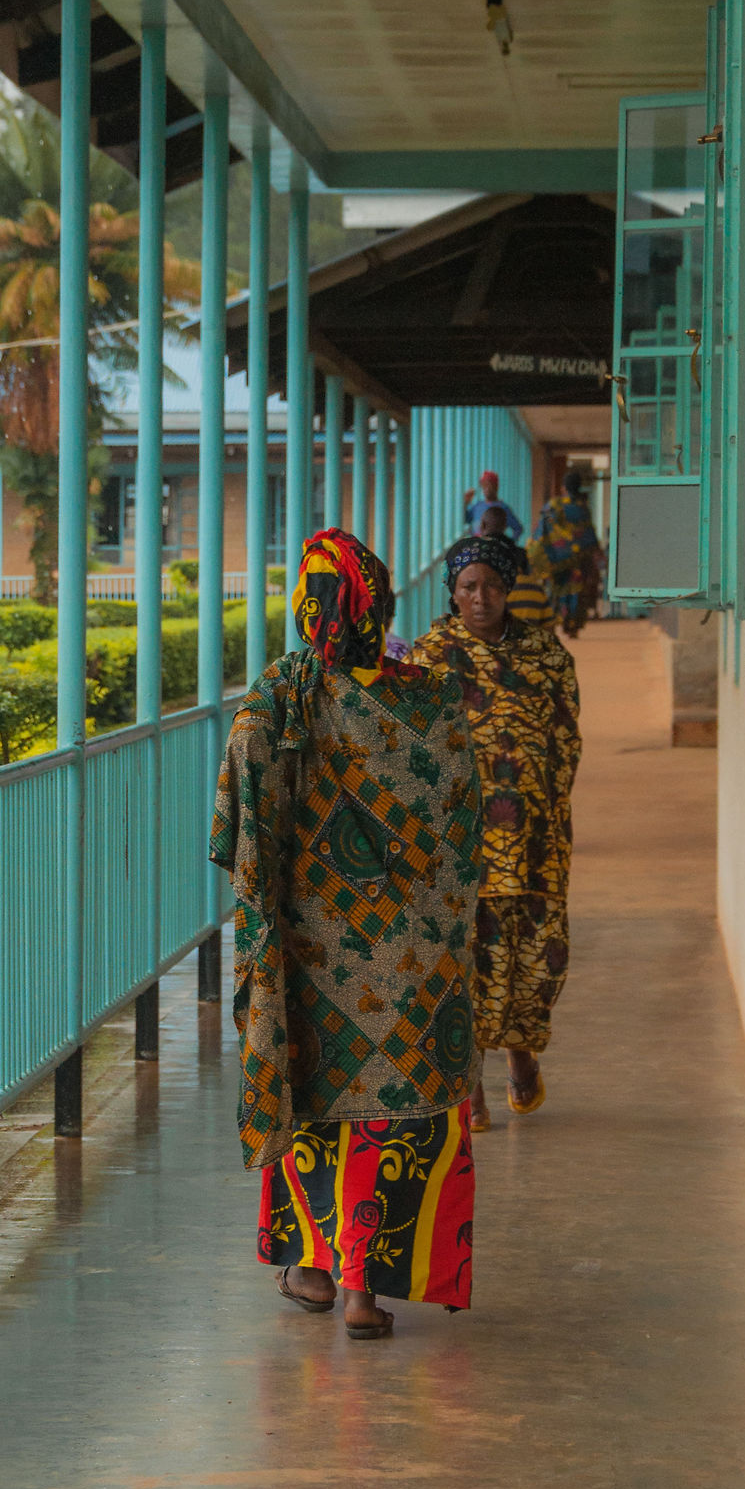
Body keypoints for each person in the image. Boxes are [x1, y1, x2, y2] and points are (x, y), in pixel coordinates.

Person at [211, 528, 484, 1338]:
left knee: (314, 1098)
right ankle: (370, 1292)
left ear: (308, 607)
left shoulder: (279, 697)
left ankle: (318, 1271)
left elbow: (237, 821)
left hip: (314, 957)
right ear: (380, 606)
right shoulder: (428, 698)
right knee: (393, 1114)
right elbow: (462, 823)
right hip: (414, 965)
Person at [409, 532, 581, 1129]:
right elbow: (414, 753)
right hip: (463, 845)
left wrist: (548, 812)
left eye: (491, 586)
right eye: (468, 587)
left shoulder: (547, 656)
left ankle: (521, 1051)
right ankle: (471, 1085)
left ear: (509, 590)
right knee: (465, 958)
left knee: (531, 953)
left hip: (532, 839)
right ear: (452, 593)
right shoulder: (428, 659)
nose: (480, 598)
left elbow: (566, 742)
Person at [531, 468, 602, 636]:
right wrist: (594, 551)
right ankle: (573, 625)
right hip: (578, 559)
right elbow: (589, 534)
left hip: (557, 559)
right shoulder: (583, 508)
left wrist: (540, 551)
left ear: (563, 487)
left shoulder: (554, 506)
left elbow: (543, 529)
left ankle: (554, 622)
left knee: (556, 590)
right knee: (576, 590)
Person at [479, 501, 553, 628]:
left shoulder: (477, 554)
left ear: (482, 526)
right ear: (505, 526)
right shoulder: (519, 553)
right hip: (527, 618)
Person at [464, 469, 523, 543]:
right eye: (484, 486)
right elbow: (466, 519)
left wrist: (509, 544)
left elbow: (518, 528)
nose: (487, 489)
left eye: (489, 485)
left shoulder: (503, 508)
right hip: (477, 546)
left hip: (494, 548)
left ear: (496, 487)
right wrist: (466, 503)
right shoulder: (477, 506)